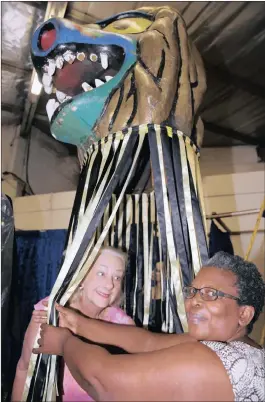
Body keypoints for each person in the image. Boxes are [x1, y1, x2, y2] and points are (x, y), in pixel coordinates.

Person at [34, 252, 265, 401]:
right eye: (192, 291)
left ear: (244, 314)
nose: (194, 301)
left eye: (210, 294)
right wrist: (79, 323)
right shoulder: (239, 348)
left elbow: (102, 381)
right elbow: (148, 342)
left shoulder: (212, 361)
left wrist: (64, 343)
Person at [11, 246, 135, 402]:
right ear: (80, 277)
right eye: (101, 273)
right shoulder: (50, 315)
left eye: (117, 277)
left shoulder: (123, 325)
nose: (110, 284)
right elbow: (24, 369)